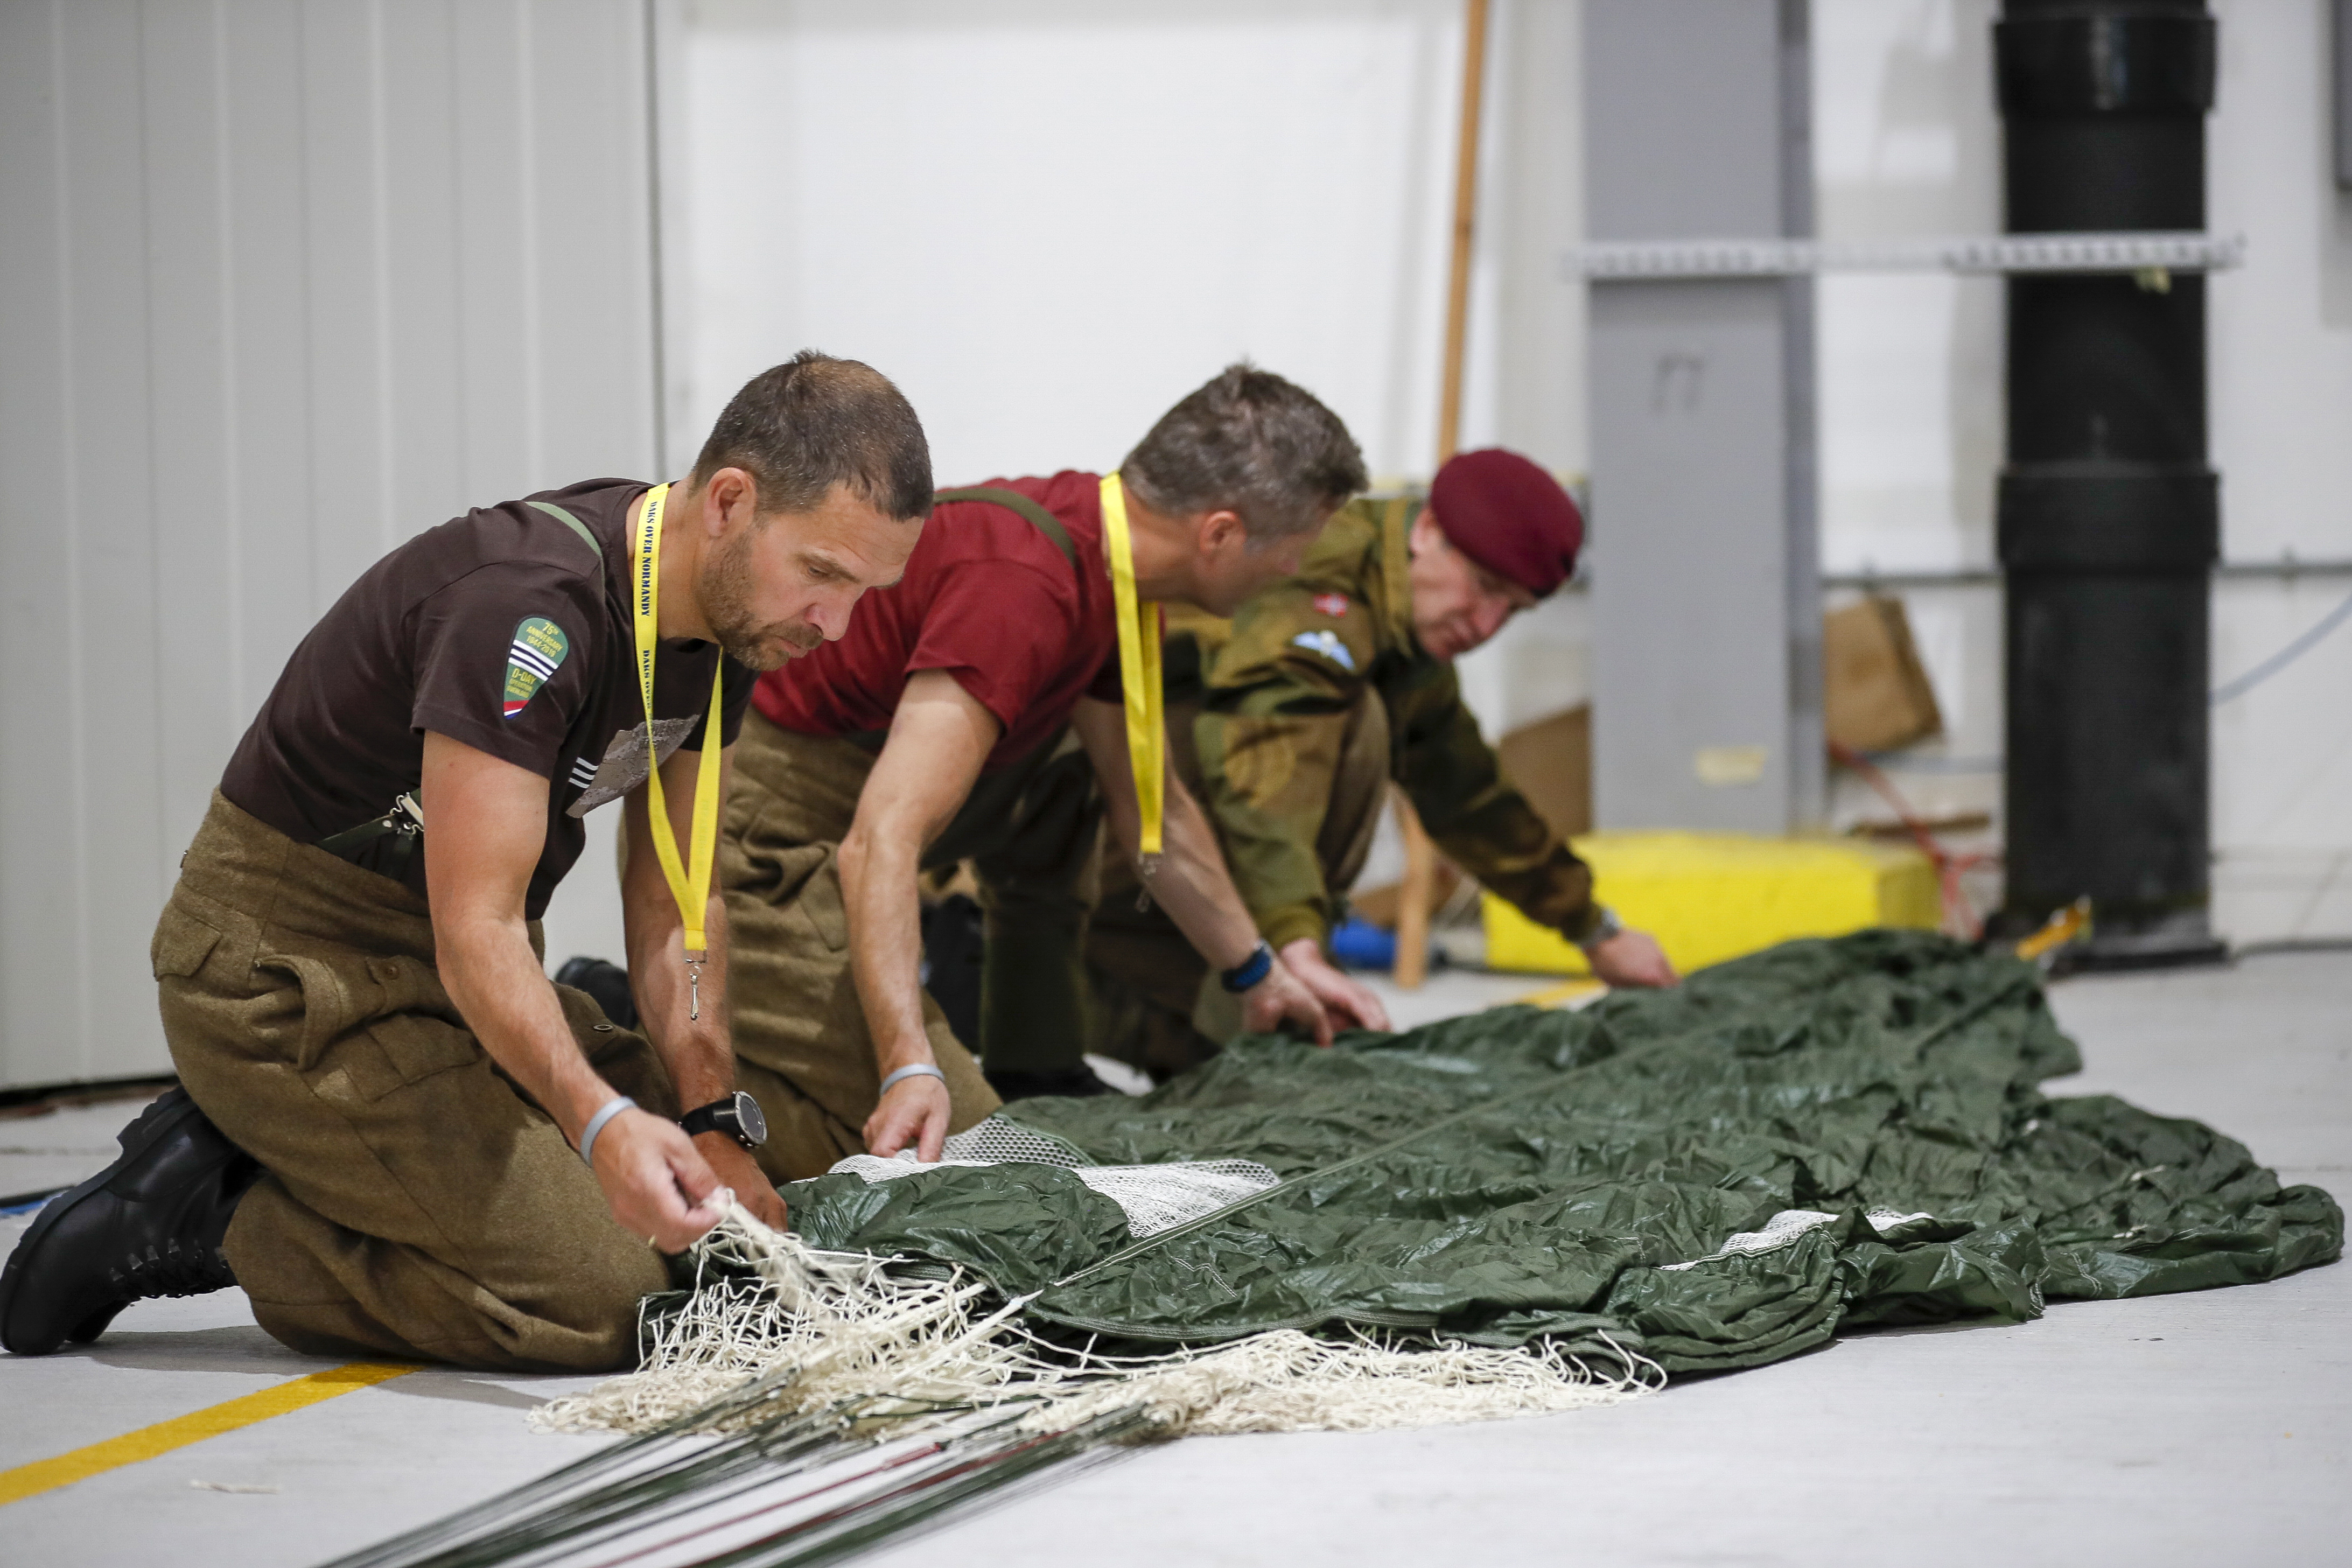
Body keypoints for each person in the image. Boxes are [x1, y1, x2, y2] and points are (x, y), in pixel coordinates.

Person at [0, 353, 932, 1369]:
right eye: (823, 576)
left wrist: (710, 1119)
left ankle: (336, 1161)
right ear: (730, 501)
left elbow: (679, 895)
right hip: (288, 978)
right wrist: (600, 1122)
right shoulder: (528, 607)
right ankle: (215, 1212)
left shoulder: (730, 627)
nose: (834, 628)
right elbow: (474, 925)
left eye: (862, 594)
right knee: (607, 1300)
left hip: (456, 984)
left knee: (715, 1226)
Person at [722, 363, 1389, 1179]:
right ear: (1219, 534)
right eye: (1293, 550)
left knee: (1068, 768)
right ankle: (656, 1038)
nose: (1293, 573)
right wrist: (907, 1064)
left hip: (853, 817)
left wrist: (1264, 975)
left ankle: (1032, 1060)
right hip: (763, 842)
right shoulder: (1026, 580)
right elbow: (881, 840)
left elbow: (1155, 813)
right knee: (956, 1155)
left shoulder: (1110, 566)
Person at [1088, 447, 1678, 1080]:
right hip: (1096, 819)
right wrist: (1294, 947)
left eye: (1511, 609)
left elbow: (1465, 792)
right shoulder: (1322, 572)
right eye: (1483, 588)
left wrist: (1594, 928)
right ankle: (1236, 1005)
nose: (1485, 624)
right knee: (1359, 724)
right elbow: (1266, 765)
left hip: (1163, 838)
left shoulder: (1402, 616)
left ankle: (1211, 1007)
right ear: (1427, 532)